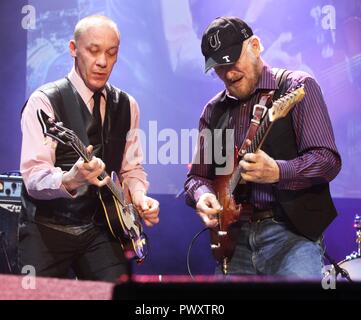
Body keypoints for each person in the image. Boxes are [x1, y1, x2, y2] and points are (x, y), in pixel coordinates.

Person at [184, 16, 341, 278]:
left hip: (292, 236)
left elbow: (327, 160)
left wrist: (278, 171)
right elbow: (197, 177)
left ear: (255, 46)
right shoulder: (213, 110)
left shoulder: (297, 86)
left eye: (233, 62)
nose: (228, 74)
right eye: (219, 68)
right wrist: (202, 197)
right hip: (235, 241)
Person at [19, 15, 160, 282]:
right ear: (73, 49)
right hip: (47, 230)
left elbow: (131, 169)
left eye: (111, 53)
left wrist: (140, 198)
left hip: (100, 230)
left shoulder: (128, 105)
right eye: (93, 51)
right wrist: (70, 179)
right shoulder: (44, 102)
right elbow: (33, 178)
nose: (103, 62)